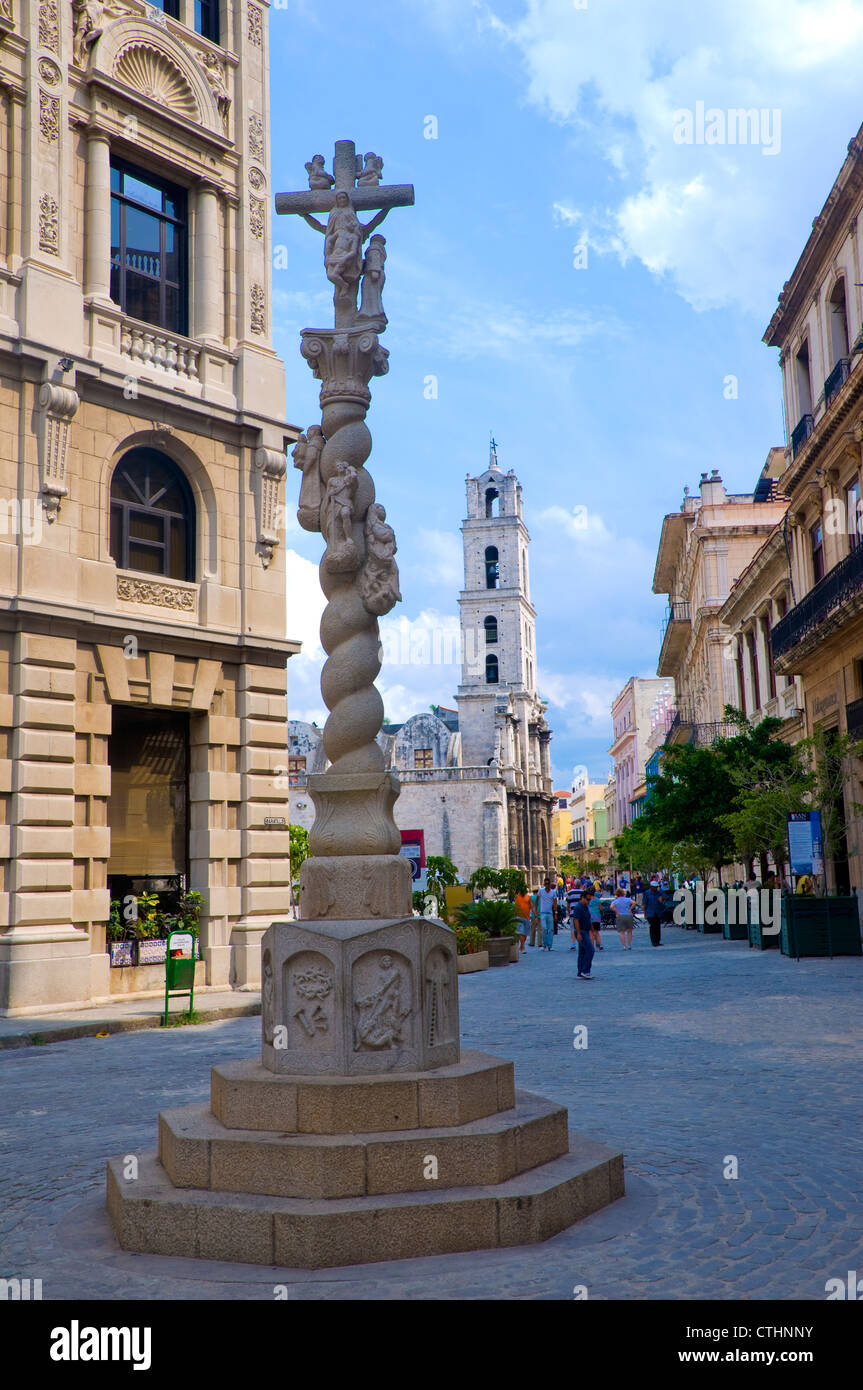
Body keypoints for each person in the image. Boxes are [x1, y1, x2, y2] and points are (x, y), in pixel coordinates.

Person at [573, 891, 595, 979]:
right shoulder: (578, 907)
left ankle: (580, 971)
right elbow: (576, 920)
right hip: (581, 931)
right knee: (590, 950)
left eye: (590, 900)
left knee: (582, 952)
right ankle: (585, 970)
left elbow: (588, 919)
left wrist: (592, 930)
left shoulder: (585, 906)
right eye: (587, 899)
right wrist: (578, 933)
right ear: (582, 898)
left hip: (585, 930)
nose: (589, 901)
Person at [643, 879, 666, 948]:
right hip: (650, 912)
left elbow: (666, 897)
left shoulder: (659, 892)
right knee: (653, 927)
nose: (655, 888)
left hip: (658, 912)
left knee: (658, 926)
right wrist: (645, 913)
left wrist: (662, 899)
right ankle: (653, 941)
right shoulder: (647, 893)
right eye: (654, 887)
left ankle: (658, 941)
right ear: (651, 887)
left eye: (656, 887)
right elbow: (644, 903)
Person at [537, 876, 557, 951]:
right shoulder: (541, 891)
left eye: (548, 884)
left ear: (550, 884)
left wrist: (556, 913)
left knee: (551, 930)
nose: (547, 885)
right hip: (542, 913)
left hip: (550, 913)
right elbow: (537, 900)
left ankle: (550, 945)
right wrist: (536, 911)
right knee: (544, 929)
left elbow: (555, 903)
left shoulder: (553, 892)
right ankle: (544, 944)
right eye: (545, 884)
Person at [514, 887, 532, 951]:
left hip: (527, 917)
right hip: (519, 917)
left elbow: (531, 906)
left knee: (525, 934)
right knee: (521, 932)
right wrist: (515, 915)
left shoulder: (528, 897)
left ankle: (521, 946)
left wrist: (535, 915)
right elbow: (515, 906)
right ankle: (523, 947)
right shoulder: (517, 897)